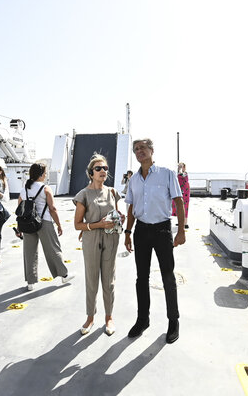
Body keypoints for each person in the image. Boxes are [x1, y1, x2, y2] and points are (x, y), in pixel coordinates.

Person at [124, 138, 186, 344]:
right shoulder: (133, 181)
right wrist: (127, 232)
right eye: (136, 149)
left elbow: (178, 201)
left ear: (151, 150)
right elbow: (131, 209)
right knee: (141, 278)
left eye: (142, 148)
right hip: (141, 230)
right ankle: (143, 320)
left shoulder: (167, 174)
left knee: (168, 276)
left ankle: (173, 321)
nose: (139, 151)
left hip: (162, 230)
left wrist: (180, 231)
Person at [73, 154, 125, 336]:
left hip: (111, 239)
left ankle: (109, 317)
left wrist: (120, 218)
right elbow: (77, 224)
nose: (103, 171)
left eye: (105, 168)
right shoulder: (84, 195)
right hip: (91, 239)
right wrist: (98, 225)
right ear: (91, 173)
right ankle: (90, 317)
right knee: (92, 279)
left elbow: (116, 213)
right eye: (98, 169)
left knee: (109, 280)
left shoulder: (112, 192)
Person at [18, 162, 73, 291]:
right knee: (53, 249)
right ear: (42, 174)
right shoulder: (45, 188)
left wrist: (19, 227)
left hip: (27, 223)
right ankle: (64, 275)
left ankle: (30, 282)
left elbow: (20, 209)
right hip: (44, 222)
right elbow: (52, 208)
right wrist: (59, 224)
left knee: (29, 252)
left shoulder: (23, 190)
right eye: (45, 173)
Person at [172, 162, 191, 229]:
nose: (179, 168)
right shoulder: (179, 173)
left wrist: (180, 168)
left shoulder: (184, 173)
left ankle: (185, 223)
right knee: (178, 206)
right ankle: (180, 222)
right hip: (180, 191)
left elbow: (181, 174)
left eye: (181, 166)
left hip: (184, 192)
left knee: (185, 207)